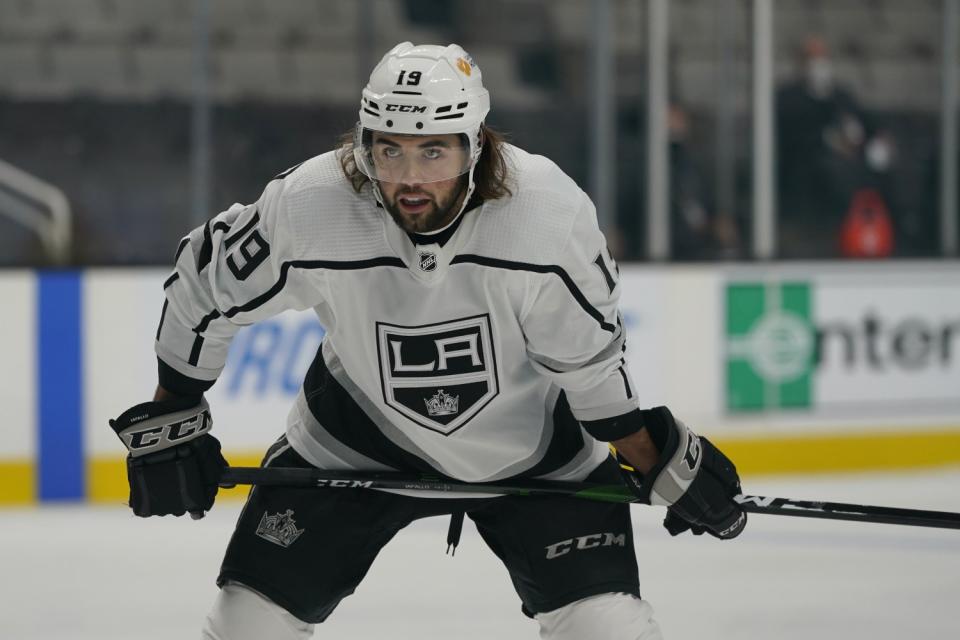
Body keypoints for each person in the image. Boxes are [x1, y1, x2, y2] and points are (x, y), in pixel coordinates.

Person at [109, 42, 747, 639]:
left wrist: (652, 452)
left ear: (476, 146)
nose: (409, 179)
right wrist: (174, 414)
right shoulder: (313, 203)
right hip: (352, 444)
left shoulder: (547, 218)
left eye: (433, 152)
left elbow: (589, 363)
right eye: (389, 151)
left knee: (609, 629)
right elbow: (203, 285)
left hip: (532, 454)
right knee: (247, 625)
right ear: (363, 146)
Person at [776, 35, 898, 258]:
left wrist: (877, 139)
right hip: (807, 178)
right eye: (811, 58)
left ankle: (874, 230)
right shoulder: (787, 97)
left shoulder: (841, 94)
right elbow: (789, 138)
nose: (818, 64)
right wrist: (829, 139)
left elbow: (866, 122)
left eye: (822, 57)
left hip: (851, 175)